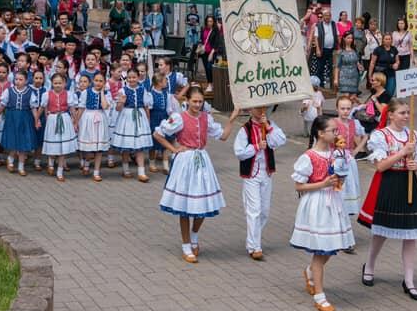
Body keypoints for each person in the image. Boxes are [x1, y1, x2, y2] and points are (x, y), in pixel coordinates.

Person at [358, 97, 417, 300]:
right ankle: (369, 265)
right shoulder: (380, 135)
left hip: (409, 184)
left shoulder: (412, 135)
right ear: (391, 115)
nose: (407, 116)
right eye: (402, 113)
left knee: (411, 234)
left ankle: (409, 280)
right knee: (381, 232)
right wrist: (403, 152)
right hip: (389, 183)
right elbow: (380, 166)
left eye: (408, 113)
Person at [154, 85, 232, 263]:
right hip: (185, 161)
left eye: (200, 101)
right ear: (187, 101)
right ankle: (186, 244)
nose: (197, 104)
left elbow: (223, 136)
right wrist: (174, 148)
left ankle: (194, 235)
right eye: (194, 101)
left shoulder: (206, 118)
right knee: (185, 206)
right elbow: (158, 134)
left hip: (202, 161)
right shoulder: (179, 118)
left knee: (203, 204)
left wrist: (232, 119)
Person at [292, 115, 356, 311]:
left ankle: (310, 271)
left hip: (333, 201)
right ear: (320, 133)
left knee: (330, 247)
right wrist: (322, 183)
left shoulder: (336, 154)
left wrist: (340, 178)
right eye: (333, 130)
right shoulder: (309, 156)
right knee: (320, 252)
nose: (337, 133)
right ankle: (320, 295)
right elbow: (298, 185)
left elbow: (341, 176)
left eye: (337, 130)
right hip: (317, 203)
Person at [233, 104, 286, 260]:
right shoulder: (245, 129)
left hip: (266, 172)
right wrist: (256, 147)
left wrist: (268, 127)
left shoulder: (270, 125)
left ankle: (254, 237)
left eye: (263, 108)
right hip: (251, 175)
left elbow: (280, 140)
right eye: (257, 108)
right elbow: (239, 153)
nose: (261, 111)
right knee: (254, 210)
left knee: (264, 211)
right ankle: (254, 246)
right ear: (250, 110)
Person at [111, 68, 154, 182]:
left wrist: (148, 120)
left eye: (134, 77)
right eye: (129, 77)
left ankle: (141, 172)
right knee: (126, 145)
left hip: (140, 117)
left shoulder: (143, 89)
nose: (132, 79)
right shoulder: (123, 91)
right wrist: (122, 102)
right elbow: (118, 108)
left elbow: (146, 106)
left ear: (138, 77)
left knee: (140, 146)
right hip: (127, 117)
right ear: (127, 78)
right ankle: (126, 170)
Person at [334, 95, 367, 221]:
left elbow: (365, 136)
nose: (345, 111)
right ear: (337, 109)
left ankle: (346, 213)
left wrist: (356, 150)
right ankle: (336, 211)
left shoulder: (354, 123)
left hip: (349, 160)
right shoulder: (333, 123)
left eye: (348, 108)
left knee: (350, 186)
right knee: (338, 187)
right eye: (342, 108)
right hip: (336, 160)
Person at [40, 71, 78, 181]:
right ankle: (51, 163)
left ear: (64, 83)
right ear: (52, 83)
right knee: (53, 143)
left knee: (62, 148)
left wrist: (75, 122)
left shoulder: (69, 94)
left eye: (60, 83)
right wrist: (37, 119)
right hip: (52, 119)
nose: (57, 85)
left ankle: (60, 171)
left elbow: (72, 109)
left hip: (65, 119)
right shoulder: (47, 95)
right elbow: (42, 108)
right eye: (55, 83)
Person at [75, 71, 112, 181]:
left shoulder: (106, 94)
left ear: (104, 82)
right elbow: (81, 108)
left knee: (99, 148)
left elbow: (105, 106)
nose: (98, 83)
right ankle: (86, 163)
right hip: (88, 118)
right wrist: (76, 122)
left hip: (100, 118)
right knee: (89, 146)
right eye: (96, 80)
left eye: (101, 81)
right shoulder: (86, 92)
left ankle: (96, 172)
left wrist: (101, 93)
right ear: (92, 81)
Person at [307, 8, 339, 88]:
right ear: (323, 16)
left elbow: (338, 36)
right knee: (320, 68)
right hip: (322, 49)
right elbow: (316, 37)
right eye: (326, 15)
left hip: (332, 50)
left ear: (331, 16)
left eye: (329, 15)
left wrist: (338, 47)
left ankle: (332, 87)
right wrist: (317, 49)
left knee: (333, 68)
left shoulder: (334, 24)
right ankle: (321, 86)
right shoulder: (318, 25)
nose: (327, 17)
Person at [368, 32, 400, 96]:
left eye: (389, 39)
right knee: (379, 93)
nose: (388, 41)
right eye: (386, 39)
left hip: (391, 74)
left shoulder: (394, 49)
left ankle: (387, 105)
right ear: (383, 40)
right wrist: (370, 75)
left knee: (390, 92)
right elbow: (372, 63)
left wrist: (396, 64)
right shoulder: (378, 49)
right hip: (380, 74)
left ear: (391, 40)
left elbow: (397, 61)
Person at [333, 31, 363, 97]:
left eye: (351, 38)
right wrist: (336, 79)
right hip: (344, 77)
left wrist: (359, 65)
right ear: (344, 38)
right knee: (346, 97)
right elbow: (337, 66)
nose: (350, 40)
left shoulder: (355, 50)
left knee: (353, 98)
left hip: (354, 76)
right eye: (348, 38)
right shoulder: (340, 52)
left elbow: (357, 61)